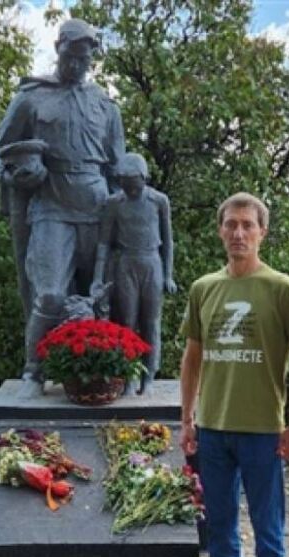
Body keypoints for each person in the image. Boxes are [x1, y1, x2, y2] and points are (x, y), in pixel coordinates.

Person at [179, 193, 289, 557]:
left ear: (261, 232)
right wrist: (187, 418)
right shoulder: (204, 287)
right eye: (230, 225)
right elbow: (192, 357)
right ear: (220, 231)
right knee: (219, 526)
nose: (238, 233)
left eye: (247, 225)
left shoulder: (281, 288)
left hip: (261, 431)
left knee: (267, 531)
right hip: (213, 428)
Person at [0, 18, 126, 396]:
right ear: (58, 49)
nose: (77, 65)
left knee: (102, 295)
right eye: (71, 56)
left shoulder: (106, 106)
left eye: (84, 59)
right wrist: (14, 175)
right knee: (49, 294)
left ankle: (101, 374)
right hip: (50, 205)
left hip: (97, 205)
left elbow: (119, 164)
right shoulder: (32, 97)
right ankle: (34, 369)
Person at [91, 152, 176, 396]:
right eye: (124, 183)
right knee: (127, 323)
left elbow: (168, 241)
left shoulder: (158, 201)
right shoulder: (114, 203)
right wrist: (98, 277)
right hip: (126, 263)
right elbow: (104, 243)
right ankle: (128, 377)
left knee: (151, 323)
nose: (129, 187)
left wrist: (168, 274)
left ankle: (148, 377)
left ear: (143, 178)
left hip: (152, 262)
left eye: (133, 183)